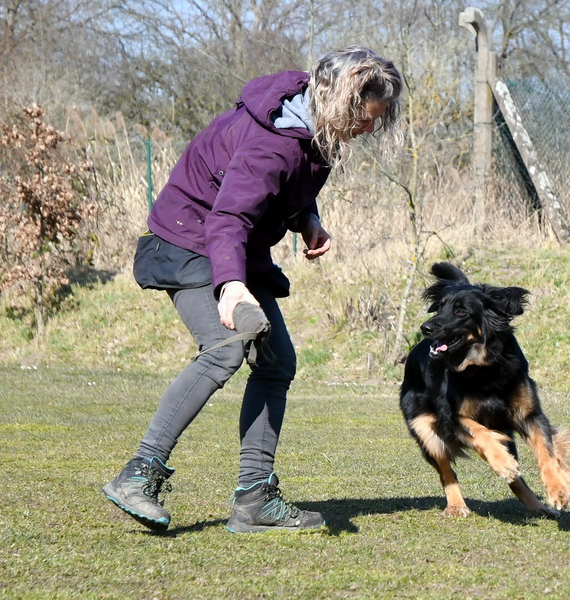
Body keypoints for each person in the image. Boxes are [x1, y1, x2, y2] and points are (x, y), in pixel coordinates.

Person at [102, 47, 403, 533]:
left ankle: (254, 498)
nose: (369, 129)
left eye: (375, 121)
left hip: (232, 244)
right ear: (337, 100)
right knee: (224, 349)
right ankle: (139, 474)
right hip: (191, 240)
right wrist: (232, 287)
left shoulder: (315, 130)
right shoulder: (275, 141)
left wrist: (307, 219)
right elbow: (229, 216)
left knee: (277, 360)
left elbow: (284, 191)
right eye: (365, 118)